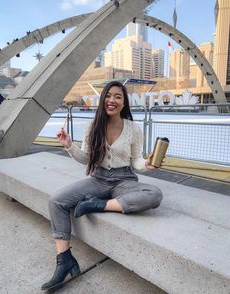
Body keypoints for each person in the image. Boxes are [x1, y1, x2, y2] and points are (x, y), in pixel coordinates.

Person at [41, 81, 163, 291]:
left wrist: (148, 164)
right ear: (103, 99)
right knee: (57, 201)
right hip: (97, 179)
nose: (112, 100)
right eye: (108, 95)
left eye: (118, 96)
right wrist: (69, 146)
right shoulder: (93, 125)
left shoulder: (134, 128)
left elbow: (136, 160)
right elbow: (86, 157)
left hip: (124, 179)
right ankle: (65, 259)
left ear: (124, 102)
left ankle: (98, 205)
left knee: (155, 194)